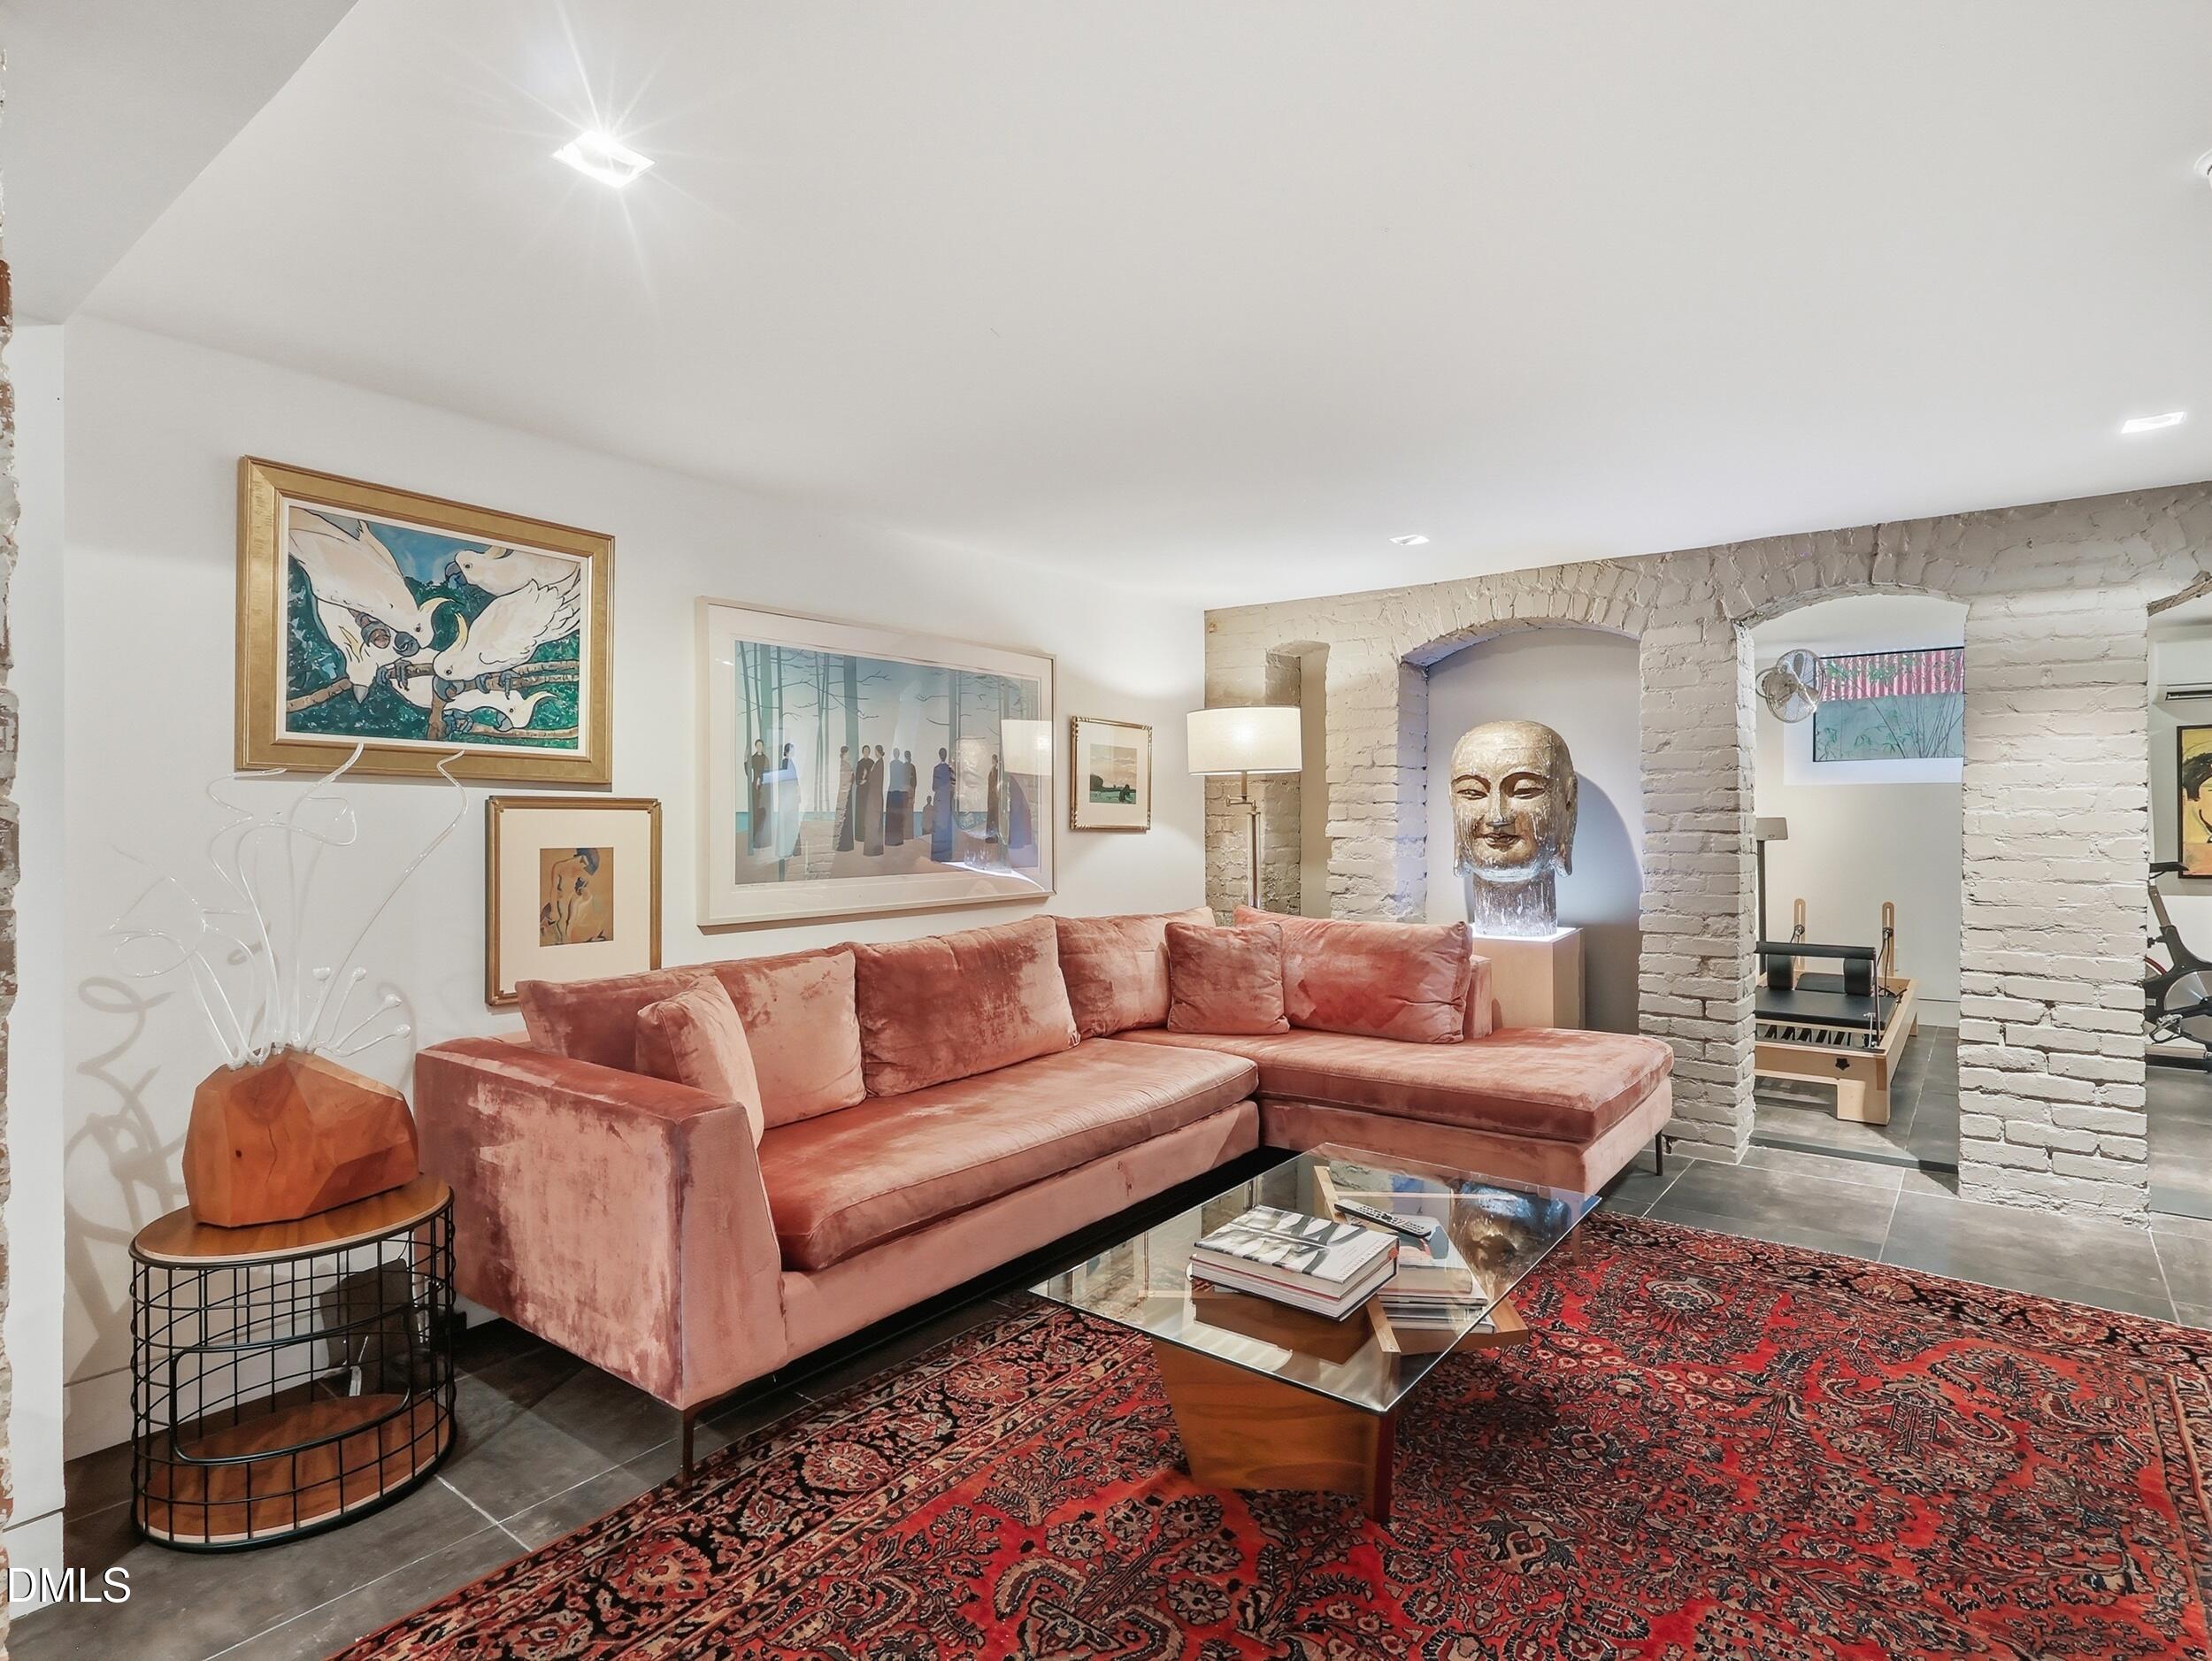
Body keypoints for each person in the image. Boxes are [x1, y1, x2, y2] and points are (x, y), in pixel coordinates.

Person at [931, 746, 956, 861]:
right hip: (947, 800)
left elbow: (934, 787)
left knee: (937, 826)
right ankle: (947, 855)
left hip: (939, 800)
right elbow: (953, 785)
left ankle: (937, 855)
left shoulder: (936, 769)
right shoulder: (950, 770)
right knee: (946, 825)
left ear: (939, 755)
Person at [745, 740, 770, 854]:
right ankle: (755, 841)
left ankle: (763, 841)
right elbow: (748, 771)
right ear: (756, 746)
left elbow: (767, 772)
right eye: (758, 745)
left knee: (763, 813)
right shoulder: (753, 758)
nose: (760, 747)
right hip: (755, 788)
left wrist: (761, 778)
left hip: (764, 788)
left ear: (763, 747)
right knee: (756, 813)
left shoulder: (766, 759)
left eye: (761, 745)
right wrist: (745, 760)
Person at [858, 746, 884, 857]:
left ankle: (872, 850)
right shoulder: (878, 763)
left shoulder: (878, 764)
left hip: (874, 796)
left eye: (873, 751)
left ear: (877, 752)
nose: (871, 753)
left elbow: (874, 779)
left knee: (872, 823)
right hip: (873, 796)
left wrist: (865, 776)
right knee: (872, 823)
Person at [833, 744, 856, 852]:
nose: (849, 755)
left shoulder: (842, 765)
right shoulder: (846, 766)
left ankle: (839, 844)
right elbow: (851, 780)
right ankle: (845, 845)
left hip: (841, 795)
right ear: (845, 754)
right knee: (845, 818)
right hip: (846, 795)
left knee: (840, 817)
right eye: (848, 754)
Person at [884, 744, 908, 846]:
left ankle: (890, 840)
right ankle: (897, 840)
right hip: (898, 791)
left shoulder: (891, 764)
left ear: (894, 755)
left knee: (892, 817)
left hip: (892, 790)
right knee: (898, 817)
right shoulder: (901, 765)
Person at [986, 753, 1003, 847]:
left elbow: (996, 785)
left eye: (994, 760)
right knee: (990, 816)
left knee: (994, 817)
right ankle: (990, 836)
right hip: (990, 797)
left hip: (994, 798)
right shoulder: (992, 770)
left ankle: (995, 836)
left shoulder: (996, 772)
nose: (992, 762)